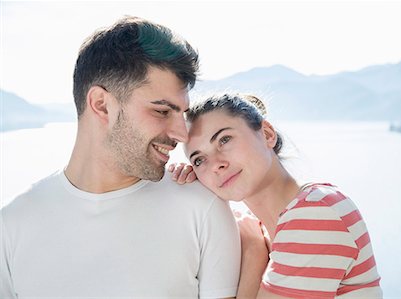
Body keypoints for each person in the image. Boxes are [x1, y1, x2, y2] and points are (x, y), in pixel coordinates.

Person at [0, 17, 241, 298]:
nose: (181, 134)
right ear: (101, 105)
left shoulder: (204, 210)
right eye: (162, 111)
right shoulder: (11, 226)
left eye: (182, 114)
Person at [170, 93, 383, 298]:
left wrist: (254, 252)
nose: (216, 164)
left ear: (267, 134)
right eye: (199, 160)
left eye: (224, 140)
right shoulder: (259, 228)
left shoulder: (317, 212)